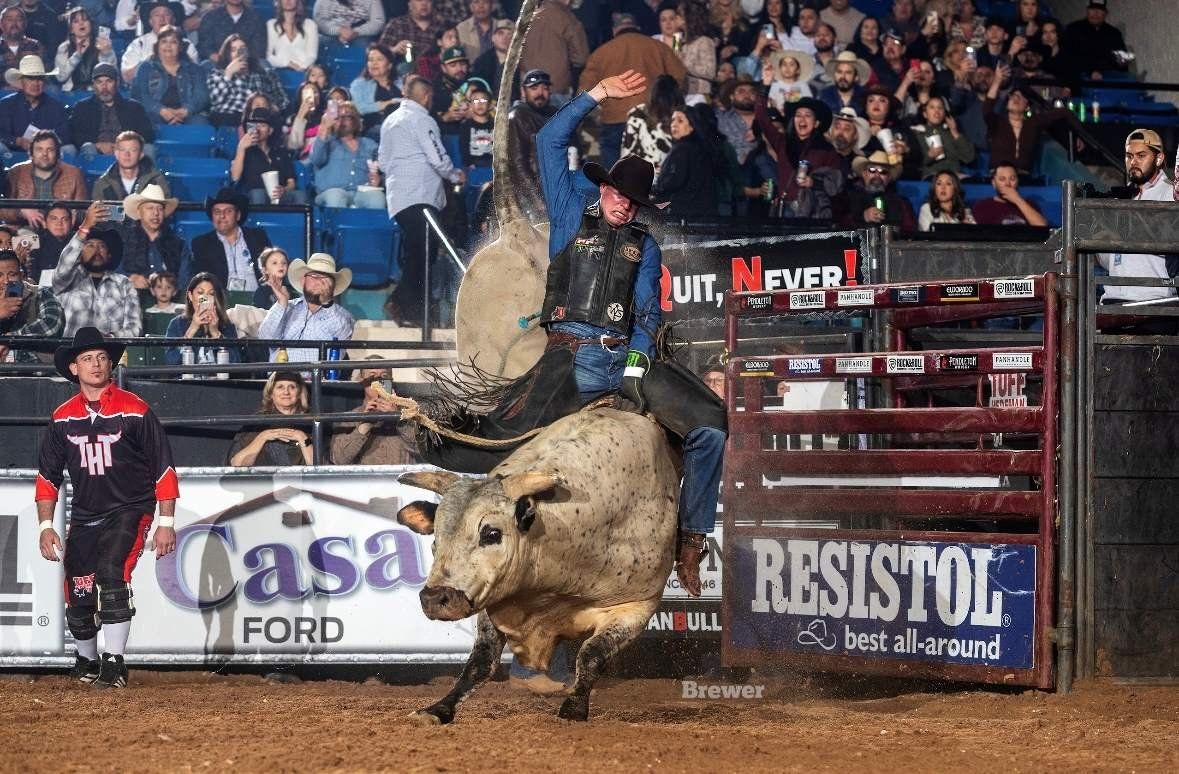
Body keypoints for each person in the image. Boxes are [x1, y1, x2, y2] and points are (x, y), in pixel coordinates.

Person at [536, 69, 725, 595]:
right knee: (504, 438)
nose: (624, 205)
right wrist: (597, 95)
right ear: (603, 188)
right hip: (567, 356)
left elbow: (647, 315)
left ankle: (691, 539)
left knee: (711, 428)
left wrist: (638, 364)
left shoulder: (645, 245)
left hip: (621, 358)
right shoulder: (568, 211)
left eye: (634, 201)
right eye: (619, 195)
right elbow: (548, 141)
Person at [36, 327, 178, 688]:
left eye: (102, 357)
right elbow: (48, 477)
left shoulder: (135, 409)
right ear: (74, 368)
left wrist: (166, 520)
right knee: (78, 588)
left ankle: (115, 663)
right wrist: (45, 526)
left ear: (111, 364)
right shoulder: (62, 417)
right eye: (87, 358)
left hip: (130, 507)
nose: (96, 364)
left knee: (112, 573)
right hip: (86, 513)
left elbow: (163, 467)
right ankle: (87, 661)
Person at [378, 76, 465, 326]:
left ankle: (410, 307)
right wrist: (455, 175)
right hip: (420, 195)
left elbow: (382, 162)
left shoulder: (390, 120)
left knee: (418, 252)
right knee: (423, 254)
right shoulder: (422, 119)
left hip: (398, 197)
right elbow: (437, 155)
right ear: (427, 97)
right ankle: (406, 306)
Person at [578, 14, 687, 168]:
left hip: (614, 120)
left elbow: (585, 93)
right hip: (653, 117)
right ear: (636, 27)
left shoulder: (600, 53)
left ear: (615, 30)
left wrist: (597, 115)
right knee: (651, 173)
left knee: (613, 173)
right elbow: (680, 78)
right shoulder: (659, 47)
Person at [1095, 129, 1177, 331]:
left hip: (1154, 303)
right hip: (1113, 302)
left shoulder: (1171, 195)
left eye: (1141, 155)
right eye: (1129, 156)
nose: (1133, 161)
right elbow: (1107, 259)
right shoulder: (1120, 197)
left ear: (1159, 159)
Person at [52, 203, 142, 337]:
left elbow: (135, 328)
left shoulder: (124, 284)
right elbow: (65, 265)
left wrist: (110, 338)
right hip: (71, 348)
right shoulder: (67, 280)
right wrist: (85, 227)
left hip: (110, 348)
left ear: (109, 254)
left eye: (102, 246)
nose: (96, 250)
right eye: (90, 245)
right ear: (80, 253)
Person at [257, 252, 355, 364]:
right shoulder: (286, 308)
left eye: (326, 278)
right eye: (314, 276)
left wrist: (326, 302)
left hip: (316, 374)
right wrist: (282, 303)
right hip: (281, 374)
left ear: (333, 286)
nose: (319, 282)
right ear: (303, 280)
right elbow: (264, 339)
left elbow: (341, 337)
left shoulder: (344, 317)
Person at [331, 363, 419, 465]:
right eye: (372, 376)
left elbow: (425, 451)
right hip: (366, 475)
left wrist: (398, 419)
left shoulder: (409, 414)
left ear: (391, 381)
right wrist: (365, 425)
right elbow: (338, 460)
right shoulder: (349, 419)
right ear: (362, 380)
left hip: (402, 474)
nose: (378, 381)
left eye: (384, 376)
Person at [188, 188, 273, 291]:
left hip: (258, 298)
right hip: (222, 299)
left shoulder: (257, 237)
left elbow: (272, 269)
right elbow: (202, 283)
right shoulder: (202, 244)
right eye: (217, 211)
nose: (222, 216)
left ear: (238, 215)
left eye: (228, 211)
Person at [1, 131, 89, 228]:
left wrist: (72, 214)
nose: (44, 154)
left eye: (50, 149)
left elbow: (83, 210)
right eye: (39, 149)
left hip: (62, 229)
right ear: (31, 153)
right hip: (24, 229)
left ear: (58, 153)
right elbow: (3, 211)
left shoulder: (74, 174)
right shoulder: (16, 172)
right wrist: (21, 212)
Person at [68, 65, 157, 158]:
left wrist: (124, 145)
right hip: (95, 150)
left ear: (117, 83)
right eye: (99, 82)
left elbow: (147, 135)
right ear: (93, 85)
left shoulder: (134, 107)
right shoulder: (82, 107)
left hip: (127, 150)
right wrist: (97, 145)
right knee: (88, 147)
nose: (104, 87)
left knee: (148, 148)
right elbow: (74, 134)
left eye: (109, 81)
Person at [228, 371, 315, 466]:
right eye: (280, 387)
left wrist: (302, 438)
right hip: (266, 475)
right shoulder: (258, 422)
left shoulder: (312, 421)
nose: (286, 392)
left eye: (292, 387)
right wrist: (262, 437)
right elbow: (236, 464)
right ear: (270, 393)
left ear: (300, 393)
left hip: (303, 475)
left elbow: (321, 467)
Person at [309, 100, 385, 208]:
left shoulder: (370, 145)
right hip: (331, 192)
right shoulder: (326, 142)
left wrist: (379, 180)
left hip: (361, 192)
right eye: (337, 117)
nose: (341, 121)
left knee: (377, 198)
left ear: (356, 121)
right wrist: (324, 128)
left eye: (347, 116)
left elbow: (385, 169)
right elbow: (316, 159)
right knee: (336, 197)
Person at [983, 83, 1071, 176]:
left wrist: (1075, 137)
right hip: (998, 176)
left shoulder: (1033, 123)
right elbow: (987, 108)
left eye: (1020, 97)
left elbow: (1064, 113)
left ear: (1027, 106)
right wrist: (997, 80)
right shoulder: (997, 122)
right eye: (1013, 96)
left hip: (1024, 177)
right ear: (1007, 104)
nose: (1016, 99)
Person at [130, 25, 210, 126]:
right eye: (164, 41)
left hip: (187, 114)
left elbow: (201, 96)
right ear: (157, 46)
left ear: (180, 47)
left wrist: (185, 111)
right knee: (145, 123)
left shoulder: (195, 69)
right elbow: (140, 95)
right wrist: (161, 110)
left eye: (173, 42)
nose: (168, 45)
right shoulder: (145, 67)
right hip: (154, 114)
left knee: (201, 124)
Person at [506, 68, 557, 220]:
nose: (540, 93)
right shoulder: (517, 116)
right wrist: (537, 200)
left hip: (555, 189)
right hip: (530, 195)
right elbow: (518, 165)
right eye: (534, 88)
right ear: (523, 91)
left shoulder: (555, 114)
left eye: (545, 88)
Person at [652, 104, 719, 218]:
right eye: (673, 120)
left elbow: (672, 182)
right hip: (704, 215)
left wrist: (650, 188)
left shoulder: (682, 149)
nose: (674, 124)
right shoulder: (701, 148)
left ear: (692, 126)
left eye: (680, 121)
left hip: (684, 217)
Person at [118, 183, 190, 289]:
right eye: (150, 208)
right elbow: (113, 274)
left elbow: (184, 282)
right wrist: (130, 279)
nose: (156, 213)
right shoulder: (122, 242)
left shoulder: (179, 245)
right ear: (139, 212)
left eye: (160, 208)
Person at [207, 35, 288, 127]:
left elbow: (283, 99)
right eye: (233, 50)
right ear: (227, 54)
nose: (238, 53)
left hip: (259, 117)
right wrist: (228, 73)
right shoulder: (217, 74)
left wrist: (272, 105)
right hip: (229, 116)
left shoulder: (266, 73)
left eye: (242, 49)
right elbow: (216, 101)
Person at [164, 272, 243, 366]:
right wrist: (192, 330)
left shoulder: (226, 325)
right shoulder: (177, 324)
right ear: (190, 296)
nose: (205, 298)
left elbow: (235, 363)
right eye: (200, 293)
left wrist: (216, 333)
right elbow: (171, 362)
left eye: (211, 294)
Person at [232, 106, 306, 205]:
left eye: (262, 125)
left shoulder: (281, 152)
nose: (257, 129)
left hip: (279, 195)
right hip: (254, 195)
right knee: (258, 194)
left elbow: (291, 182)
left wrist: (284, 189)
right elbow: (235, 177)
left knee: (300, 195)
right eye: (254, 125)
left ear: (270, 130)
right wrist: (241, 148)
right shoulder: (244, 151)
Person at [519, 0, 589, 106]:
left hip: (529, 92)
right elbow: (581, 57)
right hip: (556, 90)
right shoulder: (567, 18)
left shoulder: (528, 16)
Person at [0, 248, 64, 363]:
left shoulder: (41, 294)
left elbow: (52, 325)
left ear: (21, 275)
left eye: (12, 274)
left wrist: (9, 339)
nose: (5, 281)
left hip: (36, 371)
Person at [0, 55, 70, 156]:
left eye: (39, 79)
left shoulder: (56, 107)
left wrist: (44, 143)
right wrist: (18, 141)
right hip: (12, 154)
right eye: (30, 79)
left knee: (69, 149)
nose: (35, 84)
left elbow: (64, 135)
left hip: (46, 155)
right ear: (21, 81)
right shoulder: (5, 105)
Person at [836, 149, 917, 230]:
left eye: (883, 172)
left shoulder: (900, 202)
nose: (877, 175)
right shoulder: (849, 198)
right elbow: (838, 226)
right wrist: (863, 217)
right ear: (864, 174)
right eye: (872, 170)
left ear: (889, 177)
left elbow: (911, 230)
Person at [119, 2, 198, 84]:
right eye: (156, 15)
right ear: (150, 21)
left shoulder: (186, 44)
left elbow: (195, 75)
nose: (162, 19)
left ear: (174, 20)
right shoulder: (138, 44)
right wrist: (152, 60)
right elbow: (127, 76)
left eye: (167, 14)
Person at [622, 74, 683, 175]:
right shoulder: (682, 117)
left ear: (653, 92)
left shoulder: (637, 114)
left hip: (643, 177)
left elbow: (627, 150)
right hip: (672, 176)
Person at [909, 95, 974, 180]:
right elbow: (913, 163)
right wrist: (929, 156)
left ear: (944, 113)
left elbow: (969, 157)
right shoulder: (918, 133)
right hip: (932, 176)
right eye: (932, 107)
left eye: (940, 108)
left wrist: (954, 132)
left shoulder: (950, 132)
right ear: (925, 114)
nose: (937, 111)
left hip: (954, 176)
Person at [92, 131, 168, 201]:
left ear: (141, 155)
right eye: (123, 150)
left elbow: (164, 208)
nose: (127, 154)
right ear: (116, 154)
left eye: (133, 150)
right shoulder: (102, 184)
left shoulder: (157, 181)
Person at [54, 7, 117, 92]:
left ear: (90, 24)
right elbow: (60, 77)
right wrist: (77, 56)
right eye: (76, 21)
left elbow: (112, 77)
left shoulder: (103, 45)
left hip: (97, 93)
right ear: (71, 29)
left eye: (85, 20)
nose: (81, 23)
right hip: (71, 94)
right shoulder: (64, 48)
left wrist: (106, 54)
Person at [1063, 0, 1127, 78]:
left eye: (1099, 10)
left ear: (1105, 13)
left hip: (1109, 78)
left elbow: (1122, 61)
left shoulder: (1114, 33)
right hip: (1078, 78)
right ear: (1087, 10)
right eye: (1092, 9)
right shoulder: (1073, 29)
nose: (1095, 13)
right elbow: (1067, 57)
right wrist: (1090, 71)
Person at [351, 43, 403, 137]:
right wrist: (387, 104)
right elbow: (359, 108)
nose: (374, 63)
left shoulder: (400, 82)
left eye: (379, 59)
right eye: (371, 60)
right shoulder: (359, 84)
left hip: (402, 125)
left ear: (389, 65)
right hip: (373, 128)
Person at [972, 163, 1048, 227]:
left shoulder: (1029, 205)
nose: (1007, 184)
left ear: (1017, 182)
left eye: (1012, 179)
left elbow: (1042, 227)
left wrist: (1018, 200)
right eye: (1002, 179)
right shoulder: (982, 206)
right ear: (994, 183)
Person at [198, 0, 267, 64]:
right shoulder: (210, 18)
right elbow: (204, 48)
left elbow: (258, 50)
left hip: (248, 66)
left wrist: (241, 63)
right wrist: (222, 61)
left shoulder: (256, 19)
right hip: (216, 65)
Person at [379, 0, 447, 61]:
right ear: (410, 4)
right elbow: (378, 53)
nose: (424, 3)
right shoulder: (396, 24)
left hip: (435, 68)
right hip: (404, 69)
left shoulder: (442, 26)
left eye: (428, 0)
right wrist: (394, 49)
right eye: (419, 0)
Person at [314, 0, 386, 52]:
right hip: (330, 33)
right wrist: (339, 30)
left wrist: (356, 32)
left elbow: (378, 22)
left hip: (361, 35)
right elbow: (320, 20)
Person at [430, 46, 472, 134]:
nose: (459, 69)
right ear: (443, 68)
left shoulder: (475, 81)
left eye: (462, 64)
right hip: (447, 135)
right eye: (453, 65)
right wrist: (444, 117)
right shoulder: (435, 88)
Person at [267, 0, 318, 73]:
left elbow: (312, 55)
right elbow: (268, 56)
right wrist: (287, 63)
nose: (288, 0)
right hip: (280, 71)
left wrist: (301, 67)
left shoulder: (310, 25)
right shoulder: (271, 25)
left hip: (304, 71)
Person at [30, 203, 75, 277]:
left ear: (71, 223)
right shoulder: (34, 243)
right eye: (54, 219)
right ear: (45, 223)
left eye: (65, 219)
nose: (59, 223)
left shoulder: (78, 242)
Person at [817, 49, 867, 115]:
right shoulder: (824, 95)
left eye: (848, 73)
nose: (843, 77)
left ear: (856, 77)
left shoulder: (864, 97)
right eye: (839, 72)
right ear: (834, 75)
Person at [827, 105, 871, 179]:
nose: (840, 132)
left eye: (847, 129)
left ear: (855, 135)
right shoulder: (822, 155)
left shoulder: (860, 164)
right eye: (837, 127)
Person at [471, 18, 512, 96]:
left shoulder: (522, 62)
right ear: (493, 38)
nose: (505, 38)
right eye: (500, 33)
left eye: (509, 34)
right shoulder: (481, 62)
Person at [458, 82, 494, 171]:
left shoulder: (495, 125)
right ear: (470, 105)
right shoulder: (465, 125)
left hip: (492, 165)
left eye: (483, 100)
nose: (480, 104)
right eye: (476, 101)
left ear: (490, 105)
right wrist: (469, 163)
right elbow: (464, 147)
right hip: (474, 166)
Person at [0, 6, 44, 72]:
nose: (14, 24)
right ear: (1, 24)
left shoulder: (35, 46)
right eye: (9, 20)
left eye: (19, 20)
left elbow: (45, 72)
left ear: (25, 24)